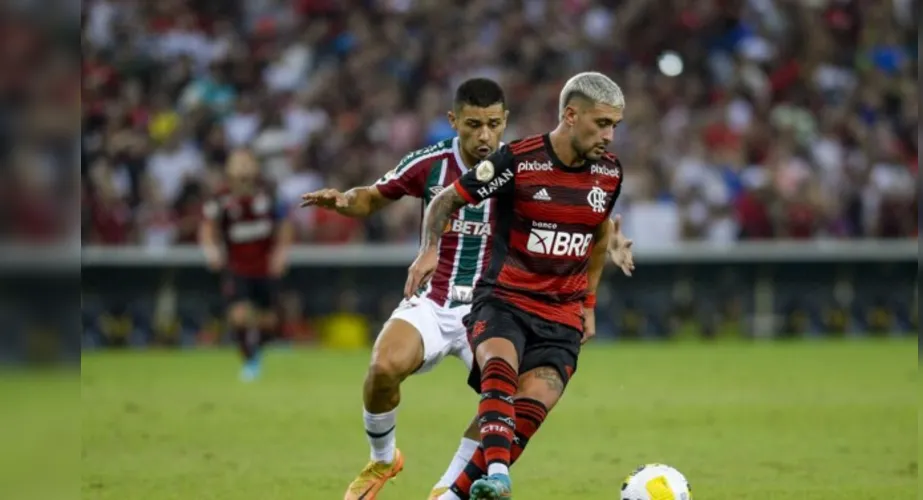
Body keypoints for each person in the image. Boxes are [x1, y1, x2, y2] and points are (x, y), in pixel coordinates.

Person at [301, 78, 634, 500]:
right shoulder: (435, 164)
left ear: (504, 122)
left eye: (493, 124)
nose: (484, 135)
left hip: (496, 301)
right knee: (383, 367)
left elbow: (583, 215)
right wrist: (348, 202)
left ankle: (449, 488)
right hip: (439, 298)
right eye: (473, 125)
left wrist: (613, 247)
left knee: (505, 402)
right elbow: (375, 195)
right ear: (453, 122)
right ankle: (382, 459)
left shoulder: (521, 164)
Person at [404, 71, 628, 500]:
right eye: (602, 124)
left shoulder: (610, 175)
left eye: (615, 125)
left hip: (561, 317)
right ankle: (501, 478)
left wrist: (589, 303)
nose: (610, 136)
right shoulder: (518, 162)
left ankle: (453, 496)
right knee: (499, 372)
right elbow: (446, 199)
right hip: (504, 300)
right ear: (570, 114)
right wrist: (430, 248)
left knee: (530, 411)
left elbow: (599, 235)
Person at [200, 149, 293, 381]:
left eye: (247, 163)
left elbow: (285, 225)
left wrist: (281, 254)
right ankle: (250, 360)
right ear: (229, 169)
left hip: (264, 267)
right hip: (237, 267)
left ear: (255, 167)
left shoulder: (269, 193)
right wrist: (211, 251)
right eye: (237, 163)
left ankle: (258, 350)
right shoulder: (220, 198)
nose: (242, 168)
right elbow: (207, 227)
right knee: (239, 316)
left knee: (269, 320)